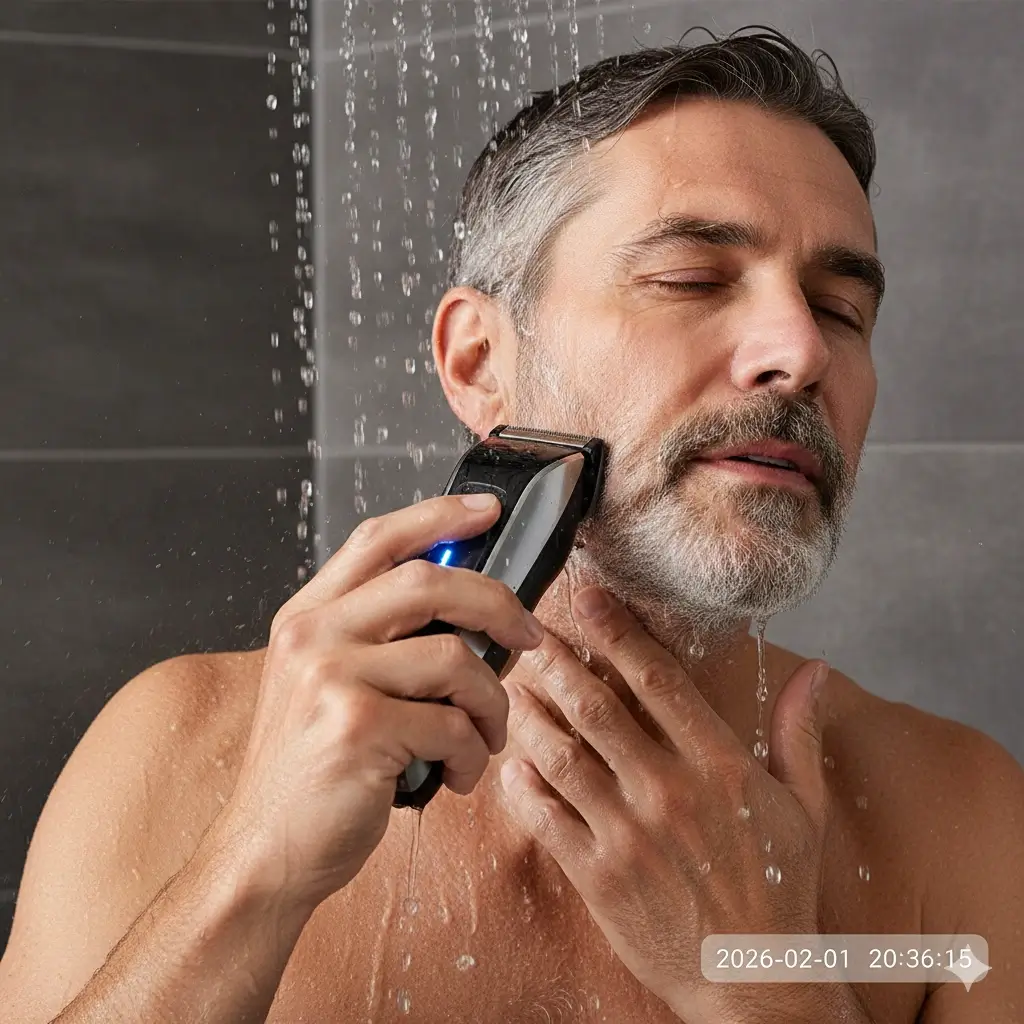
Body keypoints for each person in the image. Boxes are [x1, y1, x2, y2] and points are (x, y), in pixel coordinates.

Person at [1, 25, 1021, 1024]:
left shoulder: (960, 814)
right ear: (479, 362)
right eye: (691, 279)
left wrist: (759, 984)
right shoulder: (181, 747)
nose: (800, 349)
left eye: (841, 308)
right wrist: (251, 871)